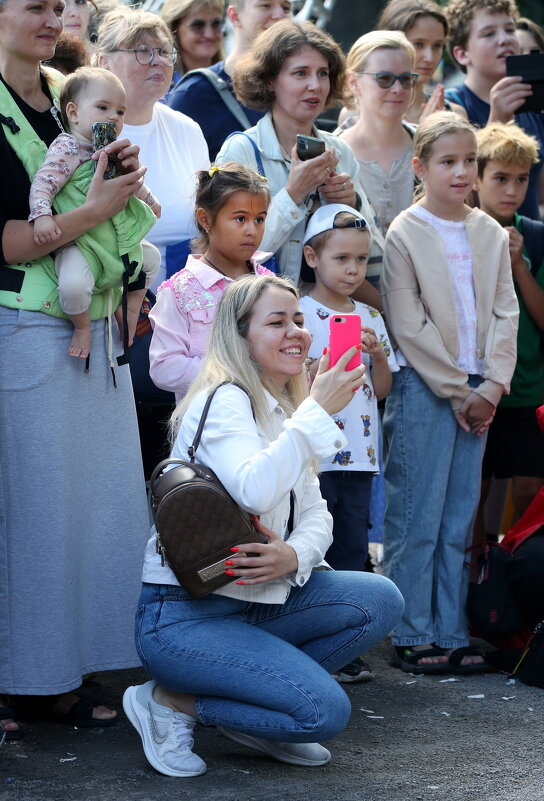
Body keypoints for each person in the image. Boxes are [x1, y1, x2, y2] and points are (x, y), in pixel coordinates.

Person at [123, 273, 405, 777]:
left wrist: (293, 555)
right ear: (241, 337)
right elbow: (254, 489)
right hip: (186, 615)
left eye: (298, 319)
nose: (297, 330)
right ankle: (170, 702)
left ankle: (261, 709)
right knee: (323, 712)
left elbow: (319, 513)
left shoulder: (286, 408)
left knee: (380, 597)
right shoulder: (225, 398)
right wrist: (317, 410)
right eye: (277, 322)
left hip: (262, 601)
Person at [0, 0, 150, 738]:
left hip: (92, 325)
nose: (51, 15)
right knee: (36, 513)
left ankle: (63, 672)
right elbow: (8, 242)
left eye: (58, 5)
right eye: (35, 4)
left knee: (88, 508)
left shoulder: (70, 96)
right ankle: (27, 682)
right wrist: (99, 210)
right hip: (29, 323)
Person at [381, 112, 519, 674]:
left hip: (480, 392)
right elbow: (407, 323)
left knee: (460, 516)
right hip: (427, 389)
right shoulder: (405, 232)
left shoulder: (487, 231)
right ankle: (411, 631)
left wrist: (491, 385)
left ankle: (450, 627)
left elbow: (505, 311)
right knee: (417, 513)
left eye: (469, 162)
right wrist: (457, 390)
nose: (462, 172)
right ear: (421, 167)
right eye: (448, 162)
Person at [300, 204, 398, 684]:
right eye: (341, 258)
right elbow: (291, 387)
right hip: (313, 457)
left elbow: (381, 391)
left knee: (352, 546)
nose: (353, 269)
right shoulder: (297, 312)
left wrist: (377, 355)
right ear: (312, 257)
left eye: (360, 260)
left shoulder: (370, 316)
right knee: (313, 545)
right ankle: (311, 638)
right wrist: (316, 370)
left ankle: (345, 646)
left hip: (359, 457)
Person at [215, 19, 383, 296]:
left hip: (327, 320)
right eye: (300, 73)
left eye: (323, 73)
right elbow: (231, 253)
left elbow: (373, 254)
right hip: (258, 317)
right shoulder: (241, 151)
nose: (315, 85)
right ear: (269, 81)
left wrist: (352, 206)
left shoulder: (339, 152)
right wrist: (293, 193)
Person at [28, 66, 161, 359]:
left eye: (120, 112)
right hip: (83, 241)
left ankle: (130, 306)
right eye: (103, 107)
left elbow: (133, 183)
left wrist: (150, 200)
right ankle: (82, 326)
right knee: (74, 286)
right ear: (73, 113)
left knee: (151, 258)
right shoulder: (69, 147)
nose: (114, 117)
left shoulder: (114, 150)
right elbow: (43, 184)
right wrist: (42, 216)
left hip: (113, 238)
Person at [96, 6, 210, 287]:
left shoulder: (187, 129)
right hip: (108, 300)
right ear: (103, 62)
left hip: (184, 306)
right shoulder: (86, 133)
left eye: (164, 51)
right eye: (142, 50)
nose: (157, 60)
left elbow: (210, 223)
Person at [149, 162, 274, 400]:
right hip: (210, 427)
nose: (252, 230)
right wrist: (236, 373)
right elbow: (165, 368)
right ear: (205, 220)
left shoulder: (271, 285)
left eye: (259, 219)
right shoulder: (178, 292)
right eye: (240, 219)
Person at [474, 122, 544, 530]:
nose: (511, 190)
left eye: (521, 180)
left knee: (529, 492)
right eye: (500, 178)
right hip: (475, 386)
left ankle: (516, 574)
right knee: (474, 496)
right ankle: (477, 583)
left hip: (527, 390)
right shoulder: (460, 229)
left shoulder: (534, 237)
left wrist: (518, 264)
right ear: (477, 178)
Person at [444, 0, 544, 221]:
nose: (504, 39)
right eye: (488, 33)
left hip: (531, 249)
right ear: (462, 54)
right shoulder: (452, 106)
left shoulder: (534, 104)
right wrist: (497, 120)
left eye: (509, 29)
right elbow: (458, 195)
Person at [336, 30, 418, 296]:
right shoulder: (332, 154)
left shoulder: (432, 148)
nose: (397, 89)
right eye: (384, 79)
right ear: (354, 82)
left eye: (406, 80)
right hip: (356, 309)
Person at [169, 0, 292, 161]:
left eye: (286, 7)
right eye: (265, 5)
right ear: (234, 16)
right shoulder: (194, 93)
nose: (279, 15)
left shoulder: (299, 86)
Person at [160, 0, 224, 102]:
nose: (209, 34)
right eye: (198, 25)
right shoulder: (160, 91)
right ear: (174, 30)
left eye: (216, 24)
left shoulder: (235, 82)